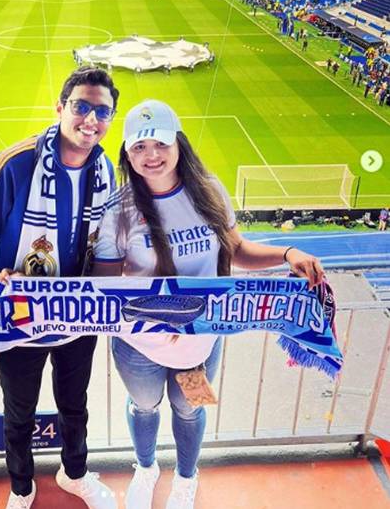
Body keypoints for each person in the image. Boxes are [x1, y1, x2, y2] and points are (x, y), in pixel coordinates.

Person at [91, 100, 324, 509]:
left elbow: (237, 251)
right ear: (127, 154)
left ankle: (186, 476)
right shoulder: (119, 209)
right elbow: (105, 285)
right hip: (139, 344)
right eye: (139, 147)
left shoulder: (209, 190)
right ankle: (145, 469)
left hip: (199, 342)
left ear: (178, 142)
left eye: (160, 143)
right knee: (144, 407)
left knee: (188, 410)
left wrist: (287, 254)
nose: (151, 156)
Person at [0, 67, 119, 509]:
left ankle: (75, 473)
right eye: (82, 106)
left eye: (102, 111)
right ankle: (22, 487)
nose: (91, 119)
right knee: (19, 414)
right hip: (19, 318)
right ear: (60, 108)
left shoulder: (105, 170)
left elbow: (107, 247)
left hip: (78, 316)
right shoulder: (15, 165)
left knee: (74, 405)